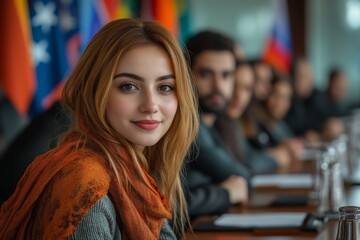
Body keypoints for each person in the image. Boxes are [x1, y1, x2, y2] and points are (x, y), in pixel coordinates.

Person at [0, 18, 199, 239]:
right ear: (95, 92)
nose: (151, 105)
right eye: (129, 86)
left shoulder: (134, 170)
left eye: (165, 87)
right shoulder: (86, 185)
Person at [184, 30, 249, 219]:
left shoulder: (212, 122)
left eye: (226, 75)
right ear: (187, 74)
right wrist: (225, 193)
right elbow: (243, 179)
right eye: (206, 74)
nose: (218, 86)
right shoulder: (189, 126)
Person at [215, 60, 280, 174]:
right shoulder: (210, 124)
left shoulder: (234, 122)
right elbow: (241, 167)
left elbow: (246, 156)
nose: (239, 96)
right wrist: (275, 157)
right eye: (234, 85)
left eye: (247, 88)